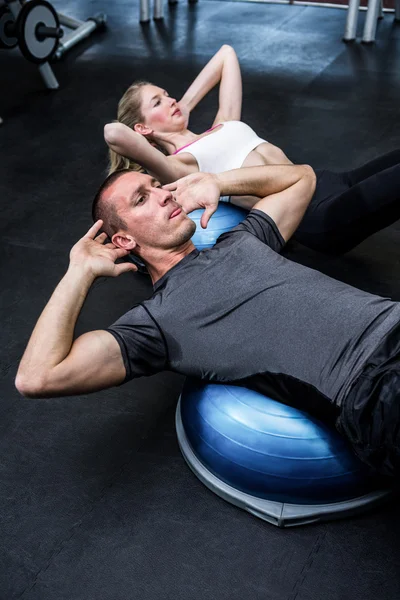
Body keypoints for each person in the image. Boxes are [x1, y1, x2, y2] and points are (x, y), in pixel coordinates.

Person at [16, 163, 400, 477]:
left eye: (157, 185)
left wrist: (218, 181)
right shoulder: (157, 324)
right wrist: (78, 271)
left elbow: (303, 178)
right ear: (125, 242)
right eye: (142, 198)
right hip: (374, 387)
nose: (164, 193)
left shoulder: (243, 238)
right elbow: (37, 377)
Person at [104, 45, 400, 255]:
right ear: (142, 129)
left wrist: (183, 105)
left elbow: (226, 55)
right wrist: (152, 134)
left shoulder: (223, 123)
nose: (170, 101)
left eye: (168, 94)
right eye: (157, 102)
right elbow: (114, 133)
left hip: (332, 181)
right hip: (316, 215)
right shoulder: (180, 167)